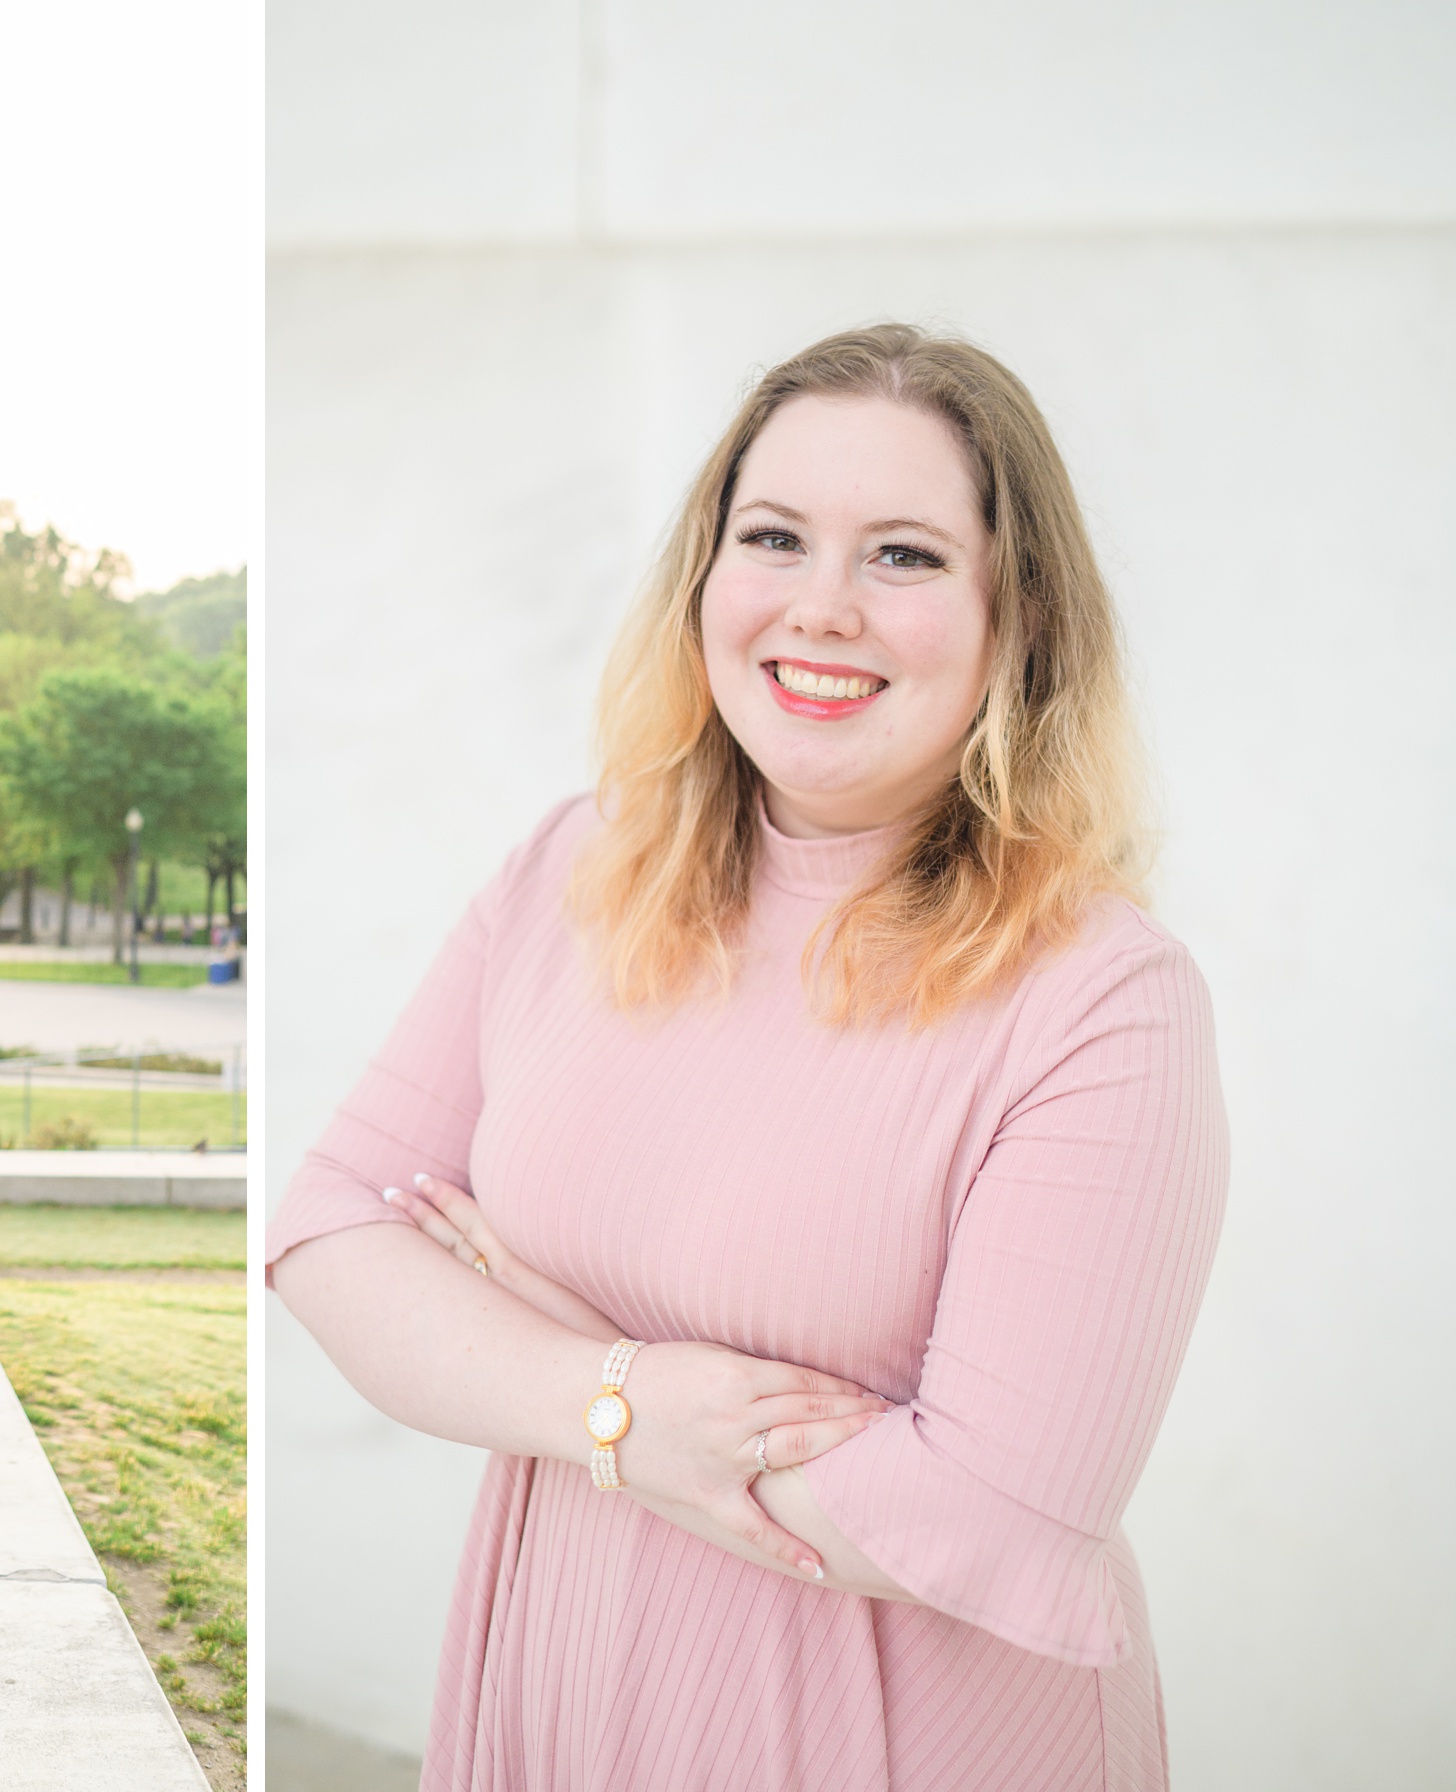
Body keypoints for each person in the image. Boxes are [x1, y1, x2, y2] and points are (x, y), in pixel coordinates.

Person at [269, 324, 1228, 1789]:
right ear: (707, 579)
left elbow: (993, 1518)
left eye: (903, 555)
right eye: (774, 537)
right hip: (563, 1695)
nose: (822, 607)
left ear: (1015, 616)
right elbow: (330, 1231)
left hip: (899, 1743)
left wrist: (524, 1327)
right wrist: (617, 1399)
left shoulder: (1102, 998)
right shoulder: (573, 869)